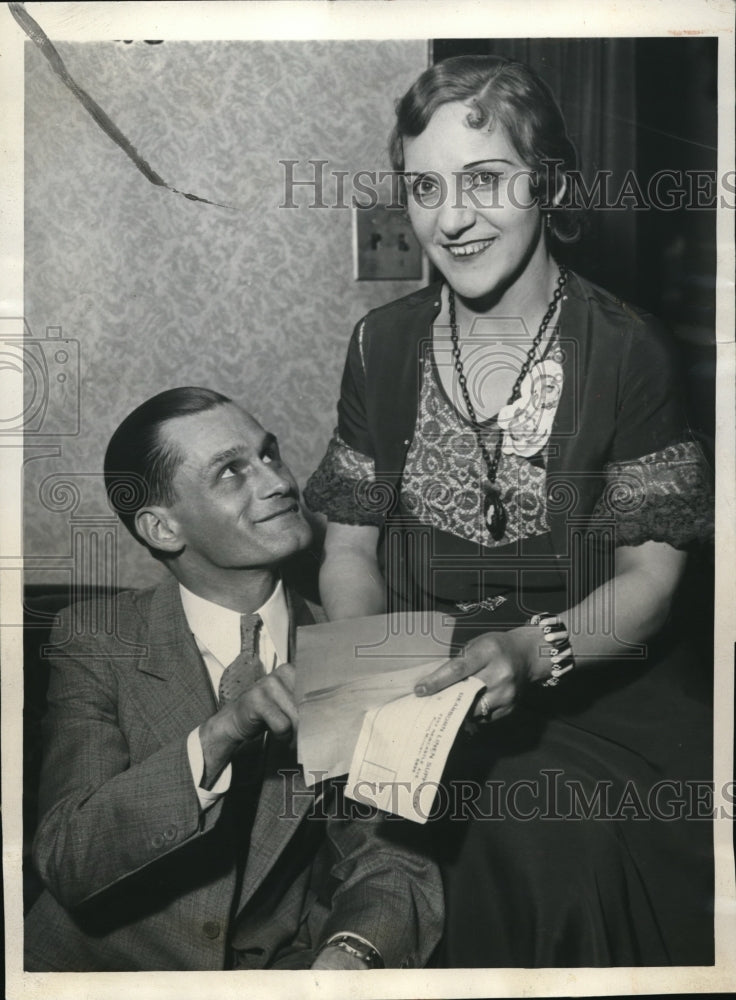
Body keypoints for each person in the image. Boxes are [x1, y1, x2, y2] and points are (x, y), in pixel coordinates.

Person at [305, 56, 714, 967]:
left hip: (594, 690)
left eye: (485, 180)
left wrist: (532, 653)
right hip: (420, 684)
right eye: (425, 188)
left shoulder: (630, 348)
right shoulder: (380, 343)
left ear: (549, 182)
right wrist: (375, 678)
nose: (450, 218)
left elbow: (651, 581)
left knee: (559, 856)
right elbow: (348, 548)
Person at [24, 386, 443, 972]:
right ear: (162, 528)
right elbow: (70, 856)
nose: (278, 482)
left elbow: (388, 857)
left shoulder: (352, 637)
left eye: (269, 455)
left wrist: (351, 953)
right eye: (230, 472)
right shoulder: (96, 639)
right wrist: (222, 733)